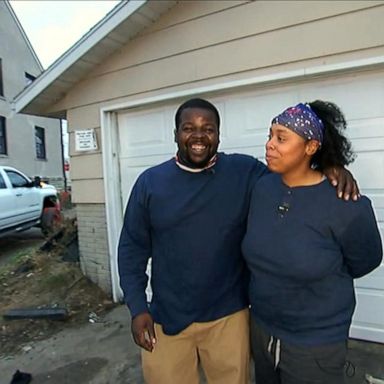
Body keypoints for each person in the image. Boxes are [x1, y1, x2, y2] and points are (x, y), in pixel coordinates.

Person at [117, 98, 359, 384]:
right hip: (166, 318)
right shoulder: (150, 183)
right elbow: (132, 249)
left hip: (228, 317)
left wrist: (330, 167)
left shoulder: (244, 172)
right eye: (188, 128)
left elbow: (296, 169)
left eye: (208, 129)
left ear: (219, 135)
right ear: (175, 134)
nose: (198, 136)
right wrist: (137, 307)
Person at [242, 101, 383, 384]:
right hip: (262, 330)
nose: (270, 144)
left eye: (281, 138)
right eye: (270, 135)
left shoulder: (346, 205)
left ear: (311, 147)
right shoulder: (262, 187)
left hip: (315, 344)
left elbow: (365, 261)